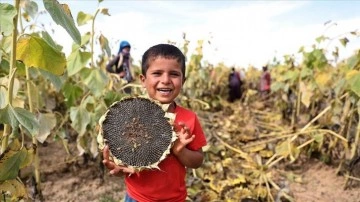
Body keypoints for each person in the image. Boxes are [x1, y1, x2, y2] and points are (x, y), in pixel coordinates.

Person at [102, 44, 207, 202]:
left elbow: (198, 161)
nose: (165, 80)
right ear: (143, 80)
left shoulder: (188, 119)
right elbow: (126, 159)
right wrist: (119, 168)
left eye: (174, 74)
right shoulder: (131, 115)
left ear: (183, 81)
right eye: (157, 73)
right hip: (137, 197)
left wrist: (180, 151)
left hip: (174, 199)